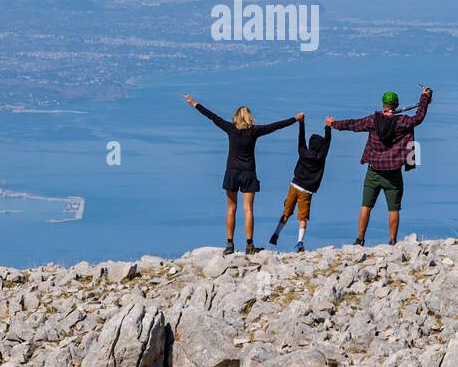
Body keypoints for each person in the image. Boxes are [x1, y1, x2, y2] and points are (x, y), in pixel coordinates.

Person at [184, 94, 301, 254]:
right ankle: (249, 245)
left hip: (232, 172)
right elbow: (275, 126)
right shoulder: (254, 131)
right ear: (249, 117)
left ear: (236, 117)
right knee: (248, 209)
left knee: (231, 208)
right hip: (248, 173)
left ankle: (230, 245)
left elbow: (212, 116)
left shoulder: (230, 128)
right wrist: (295, 119)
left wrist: (194, 103)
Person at [327, 86, 432, 246]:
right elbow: (419, 117)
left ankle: (359, 239)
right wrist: (424, 97)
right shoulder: (402, 121)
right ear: (396, 105)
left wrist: (334, 123)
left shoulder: (372, 120)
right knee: (394, 209)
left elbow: (354, 125)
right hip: (393, 174)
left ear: (383, 104)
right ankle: (392, 241)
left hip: (373, 172)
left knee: (366, 206)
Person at [267, 115, 331, 252]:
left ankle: (276, 233)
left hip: (294, 185)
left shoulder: (303, 153)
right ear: (321, 148)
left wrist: (301, 123)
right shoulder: (321, 157)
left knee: (286, 212)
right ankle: (300, 242)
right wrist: (328, 127)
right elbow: (327, 144)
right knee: (303, 217)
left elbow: (301, 139)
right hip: (306, 191)